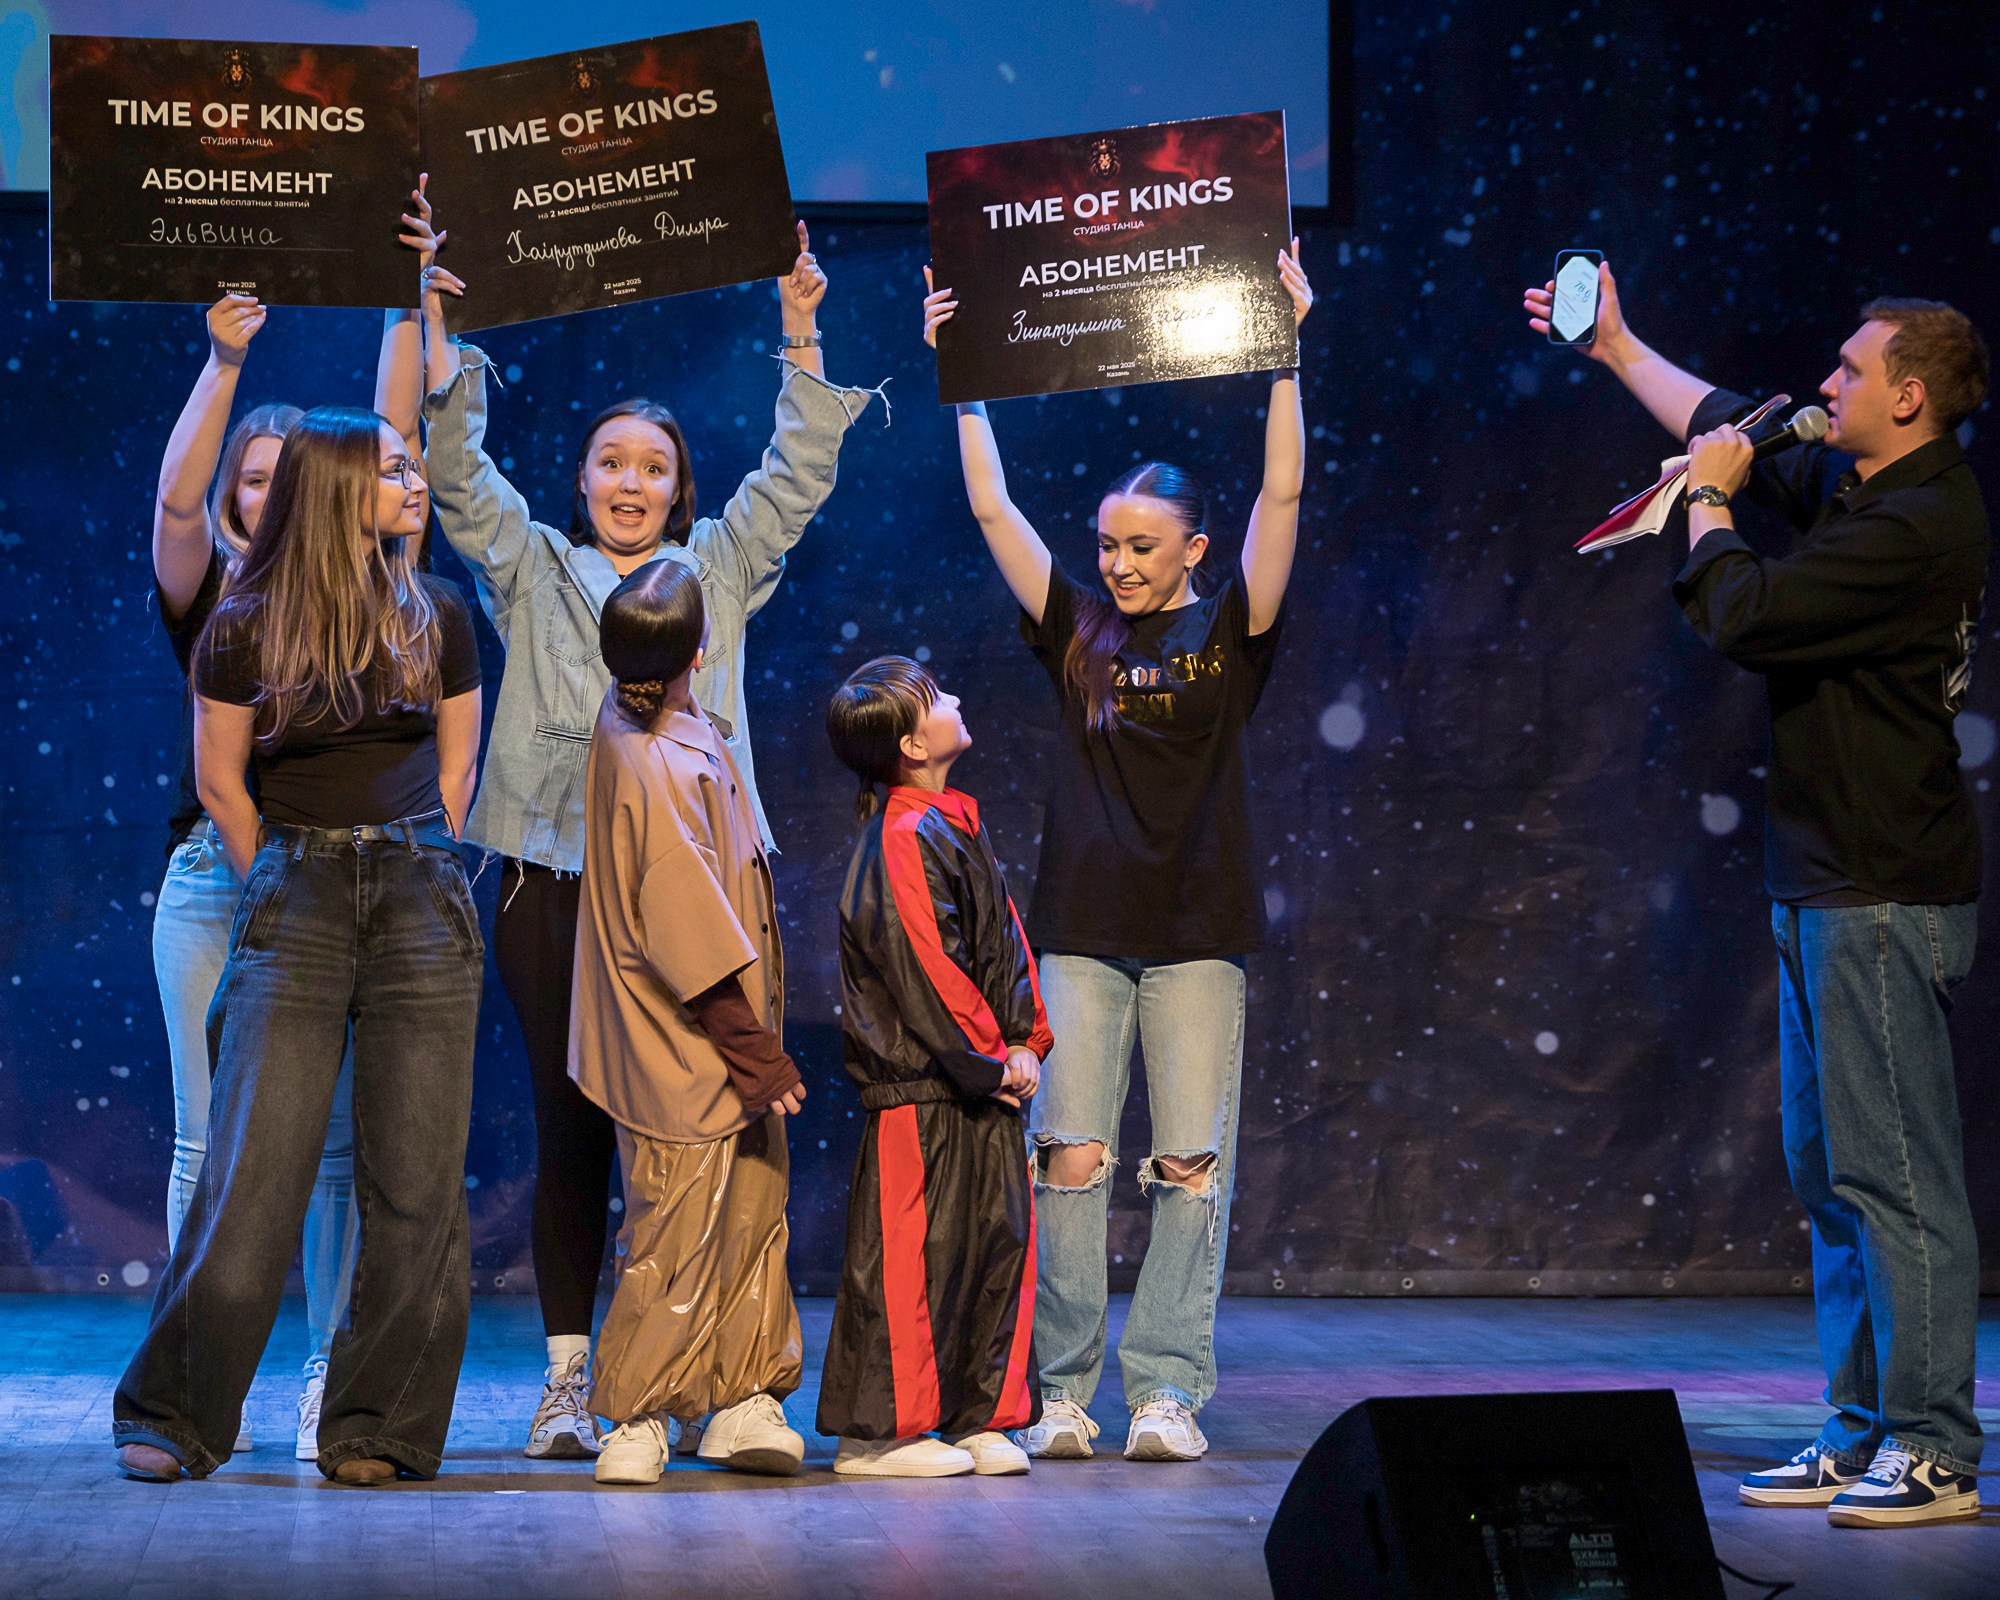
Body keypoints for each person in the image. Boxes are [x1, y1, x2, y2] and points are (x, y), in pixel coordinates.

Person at [1525, 265, 1988, 1527]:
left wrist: (1707, 509)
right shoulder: (1863, 479)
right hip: (1821, 878)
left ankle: (1935, 1445)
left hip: (1882, 886)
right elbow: (1725, 413)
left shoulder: (1919, 522)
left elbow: (1744, 609)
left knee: (1895, 1175)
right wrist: (1619, 349)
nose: (1822, 382)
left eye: (1846, 370)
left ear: (1904, 396)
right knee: (1829, 1170)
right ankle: (1859, 1428)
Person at [414, 197, 877, 1458]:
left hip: (696, 889)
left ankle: (726, 1375)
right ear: (580, 478)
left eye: (654, 468)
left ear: (680, 492)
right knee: (576, 1125)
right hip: (553, 882)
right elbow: (455, 477)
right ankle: (578, 1379)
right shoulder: (531, 566)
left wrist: (799, 335)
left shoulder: (714, 569)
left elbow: (794, 479)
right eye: (612, 463)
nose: (630, 483)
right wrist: (438, 327)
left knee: (718, 1120)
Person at [920, 243, 1312, 1462]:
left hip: (1195, 934)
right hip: (1081, 935)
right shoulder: (1075, 630)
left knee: (1187, 1170)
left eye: (1143, 545)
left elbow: (1282, 500)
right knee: (1072, 1161)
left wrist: (1287, 357)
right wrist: (965, 381)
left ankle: (1165, 1389)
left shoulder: (1230, 627)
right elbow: (993, 509)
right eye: (1107, 542)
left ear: (1193, 549)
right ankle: (1065, 1387)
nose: (1118, 561)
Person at [113, 406, 485, 1485]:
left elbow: (457, 763)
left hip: (419, 891)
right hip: (298, 887)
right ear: (334, 489)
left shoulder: (438, 612)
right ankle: (176, 1413)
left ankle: (377, 1424)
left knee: (415, 1179)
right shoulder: (243, 624)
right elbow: (222, 781)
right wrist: (282, 869)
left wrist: (421, 854)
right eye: (391, 470)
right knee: (254, 1168)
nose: (412, 484)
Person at [148, 289, 426, 1458]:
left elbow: (385, 438)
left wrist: (406, 314)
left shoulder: (377, 586)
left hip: (345, 885)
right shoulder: (217, 594)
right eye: (247, 480)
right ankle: (196, 1371)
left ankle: (326, 1372)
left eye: (280, 476)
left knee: (332, 1151)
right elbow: (172, 502)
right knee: (208, 1139)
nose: (261, 494)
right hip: (222, 878)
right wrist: (222, 364)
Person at [567, 562, 808, 1486]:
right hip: (686, 1038)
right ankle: (637, 1408)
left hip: (722, 1035)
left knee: (749, 1206)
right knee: (676, 1220)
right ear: (697, 652)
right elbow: (679, 918)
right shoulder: (644, 752)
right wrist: (754, 1051)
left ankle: (742, 1391)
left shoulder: (674, 725)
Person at [817, 656, 1050, 1479]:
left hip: (982, 1083)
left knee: (992, 1247)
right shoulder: (903, 835)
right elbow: (928, 965)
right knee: (911, 1258)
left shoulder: (956, 821)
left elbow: (1006, 943)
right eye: (940, 695)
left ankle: (978, 1414)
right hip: (925, 1087)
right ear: (914, 743)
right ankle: (882, 1432)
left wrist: (1026, 1040)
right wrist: (994, 1059)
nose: (957, 696)